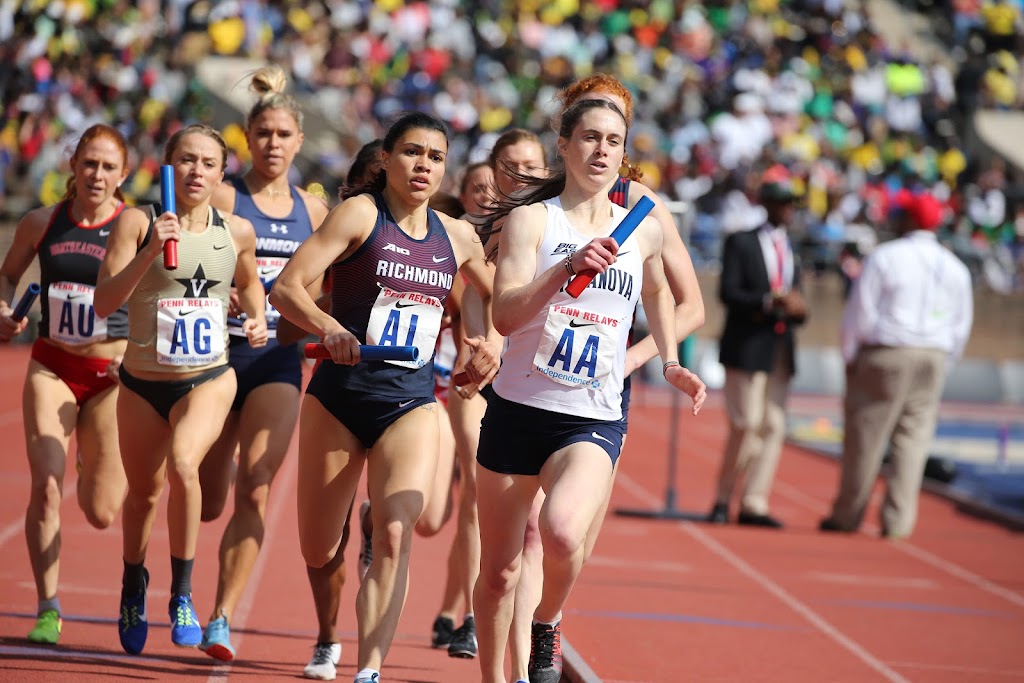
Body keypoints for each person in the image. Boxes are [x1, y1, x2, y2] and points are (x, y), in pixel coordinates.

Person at [472, 98, 707, 683]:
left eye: (612, 142)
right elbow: (504, 316)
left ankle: (547, 624)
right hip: (517, 411)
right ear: (565, 145)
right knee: (499, 572)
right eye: (589, 138)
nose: (601, 151)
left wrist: (667, 358)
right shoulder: (532, 221)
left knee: (562, 531)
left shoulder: (643, 230)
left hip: (590, 417)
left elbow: (660, 297)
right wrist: (564, 268)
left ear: (624, 154)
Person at [269, 111, 501, 683]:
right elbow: (286, 288)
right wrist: (329, 327)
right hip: (339, 400)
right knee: (320, 548)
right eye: (412, 152)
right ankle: (341, 582)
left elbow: (509, 300)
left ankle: (368, 670)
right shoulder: (359, 215)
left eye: (435, 157)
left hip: (412, 402)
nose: (423, 165)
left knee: (397, 531)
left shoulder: (457, 235)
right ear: (389, 158)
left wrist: (491, 340)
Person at [94, 124, 268, 655]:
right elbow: (104, 304)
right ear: (168, 167)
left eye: (208, 163)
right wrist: (150, 252)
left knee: (185, 466)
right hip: (143, 384)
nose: (197, 171)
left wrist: (258, 316)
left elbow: (250, 280)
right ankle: (132, 584)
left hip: (209, 378)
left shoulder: (235, 230)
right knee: (142, 495)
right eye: (187, 161)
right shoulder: (134, 221)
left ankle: (183, 594)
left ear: (221, 173)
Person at [192, 65, 329, 665]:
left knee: (256, 486)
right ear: (248, 139)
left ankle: (220, 617)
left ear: (300, 142)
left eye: (283, 134)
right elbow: (178, 258)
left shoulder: (314, 211)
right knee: (209, 495)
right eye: (263, 133)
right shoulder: (224, 197)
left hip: (276, 360)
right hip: (214, 359)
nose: (273, 143)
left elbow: (320, 291)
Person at [0, 123, 132, 645]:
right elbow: (8, 274)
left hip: (112, 377)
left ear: (124, 175)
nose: (97, 175)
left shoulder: (136, 227)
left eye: (107, 167)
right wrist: (5, 310)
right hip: (52, 366)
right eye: (89, 164)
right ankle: (48, 606)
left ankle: (91, 456)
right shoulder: (42, 221)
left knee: (101, 512)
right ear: (73, 167)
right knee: (47, 487)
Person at [820, 191, 973, 539]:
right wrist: (944, 362)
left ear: (909, 221)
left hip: (887, 351)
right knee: (913, 443)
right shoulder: (956, 267)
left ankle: (847, 515)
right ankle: (899, 523)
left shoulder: (887, 257)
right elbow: (961, 325)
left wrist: (850, 356)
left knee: (866, 437)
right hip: (932, 355)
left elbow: (861, 312)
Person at [708, 166, 807, 528]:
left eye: (791, 203)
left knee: (773, 427)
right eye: (781, 202)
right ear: (765, 203)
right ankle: (722, 499)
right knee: (745, 424)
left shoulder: (791, 248)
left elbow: (796, 296)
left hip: (780, 348)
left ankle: (754, 502)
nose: (787, 209)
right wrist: (769, 301)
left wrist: (798, 307)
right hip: (747, 345)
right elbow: (728, 293)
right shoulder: (742, 241)